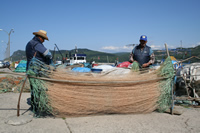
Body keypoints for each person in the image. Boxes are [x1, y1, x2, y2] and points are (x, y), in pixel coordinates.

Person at [25, 30, 52, 112]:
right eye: (43, 39)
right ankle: (38, 107)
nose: (43, 41)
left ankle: (35, 106)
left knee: (34, 89)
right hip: (36, 70)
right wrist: (50, 63)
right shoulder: (36, 44)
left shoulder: (30, 43)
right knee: (39, 89)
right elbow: (47, 53)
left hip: (31, 69)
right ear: (40, 37)